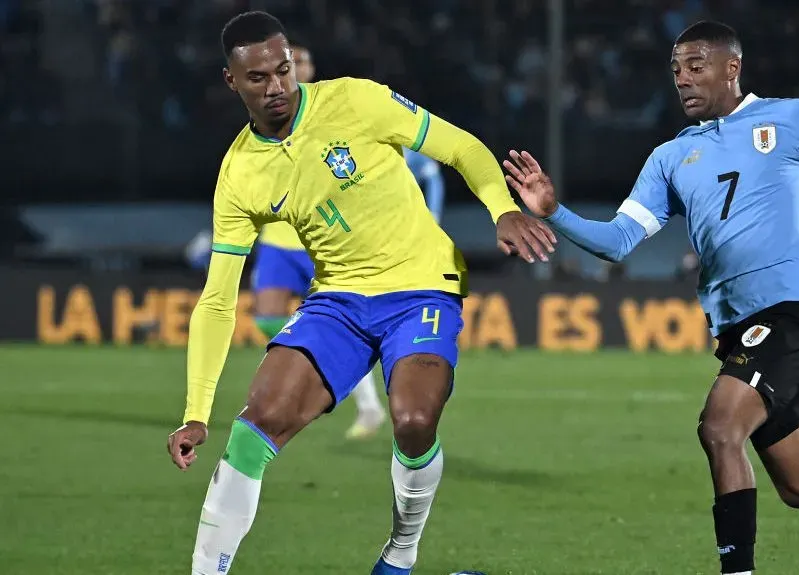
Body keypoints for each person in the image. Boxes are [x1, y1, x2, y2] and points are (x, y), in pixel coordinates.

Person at [503, 21, 799, 575]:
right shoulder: (670, 159)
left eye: (696, 66)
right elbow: (619, 240)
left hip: (794, 311)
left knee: (719, 427)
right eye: (676, 70)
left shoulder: (795, 118)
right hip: (736, 330)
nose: (683, 79)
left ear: (732, 67)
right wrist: (553, 211)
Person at [166, 11, 555, 575]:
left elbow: (462, 147)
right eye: (259, 79)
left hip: (420, 285)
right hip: (338, 301)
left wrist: (502, 210)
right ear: (232, 81)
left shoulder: (355, 100)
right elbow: (218, 298)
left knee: (415, 418)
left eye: (284, 71)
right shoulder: (240, 173)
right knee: (255, 425)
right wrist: (195, 412)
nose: (277, 87)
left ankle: (400, 552)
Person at [245, 38, 448, 441]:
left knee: (343, 324)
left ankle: (355, 392)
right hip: (277, 239)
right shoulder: (266, 118)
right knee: (266, 314)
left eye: (295, 63)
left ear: (307, 69)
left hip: (329, 242)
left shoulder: (337, 113)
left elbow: (428, 170)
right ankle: (336, 381)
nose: (288, 72)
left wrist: (431, 219)